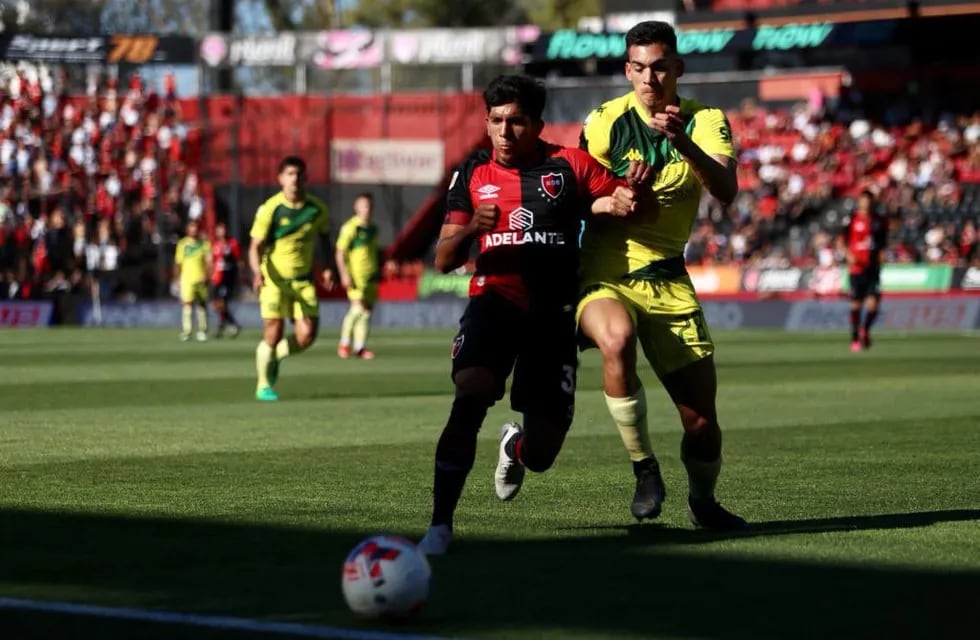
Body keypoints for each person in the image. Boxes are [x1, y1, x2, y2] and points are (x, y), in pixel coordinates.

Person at [417, 74, 650, 555]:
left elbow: (609, 199)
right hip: (494, 304)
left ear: (537, 124)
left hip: (552, 315)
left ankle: (515, 447)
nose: (504, 131)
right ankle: (440, 525)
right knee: (471, 394)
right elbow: (443, 258)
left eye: (516, 122)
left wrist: (624, 198)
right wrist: (470, 233)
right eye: (496, 121)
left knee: (542, 455)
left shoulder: (569, 165)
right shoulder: (473, 173)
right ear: (486, 123)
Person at [577, 21, 747, 530]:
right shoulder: (604, 122)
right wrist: (611, 200)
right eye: (638, 68)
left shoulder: (705, 120)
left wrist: (685, 145)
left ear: (677, 68)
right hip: (605, 273)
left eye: (658, 67)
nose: (649, 79)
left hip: (668, 278)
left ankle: (704, 503)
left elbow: (726, 190)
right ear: (627, 71)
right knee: (618, 337)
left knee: (701, 424)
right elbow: (571, 196)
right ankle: (644, 468)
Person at [248, 156, 334, 402]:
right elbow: (255, 246)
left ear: (305, 178)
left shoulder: (317, 209)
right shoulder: (270, 209)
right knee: (273, 332)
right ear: (280, 179)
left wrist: (327, 267)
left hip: (303, 281)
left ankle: (275, 357)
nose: (294, 179)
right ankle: (263, 385)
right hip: (274, 280)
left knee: (307, 336)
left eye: (298, 174)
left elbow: (325, 238)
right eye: (289, 174)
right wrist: (256, 272)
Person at [335, 192, 381, 359]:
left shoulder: (373, 229)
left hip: (370, 277)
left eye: (369, 206)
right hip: (355, 277)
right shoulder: (350, 228)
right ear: (356, 207)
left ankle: (360, 347)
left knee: (366, 313)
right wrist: (344, 275)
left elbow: (374, 252)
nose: (366, 209)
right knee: (357, 309)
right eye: (363, 206)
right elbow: (340, 253)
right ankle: (344, 343)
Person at [845, 189, 888, 351]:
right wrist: (848, 254)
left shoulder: (878, 221)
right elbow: (840, 241)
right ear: (859, 202)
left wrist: (882, 255)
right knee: (856, 304)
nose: (866, 204)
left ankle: (866, 329)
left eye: (869, 201)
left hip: (873, 268)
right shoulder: (851, 219)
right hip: (856, 269)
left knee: (873, 305)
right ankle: (855, 336)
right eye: (863, 200)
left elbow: (883, 242)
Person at [174, 219, 212, 342]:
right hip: (187, 279)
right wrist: (177, 279)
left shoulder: (204, 244)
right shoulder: (182, 245)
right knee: (187, 304)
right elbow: (178, 263)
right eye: (191, 227)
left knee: (201, 304)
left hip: (200, 279)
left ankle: (202, 330)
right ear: (187, 229)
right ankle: (187, 331)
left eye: (195, 227)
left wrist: (207, 275)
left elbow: (209, 262)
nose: (194, 230)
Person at [211, 220, 243, 338]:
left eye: (223, 229)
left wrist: (240, 275)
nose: (221, 232)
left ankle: (227, 324)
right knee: (216, 304)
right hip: (216, 277)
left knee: (223, 302)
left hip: (228, 277)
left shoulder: (232, 243)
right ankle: (228, 322)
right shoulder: (215, 244)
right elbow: (213, 261)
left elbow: (239, 260)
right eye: (219, 229)